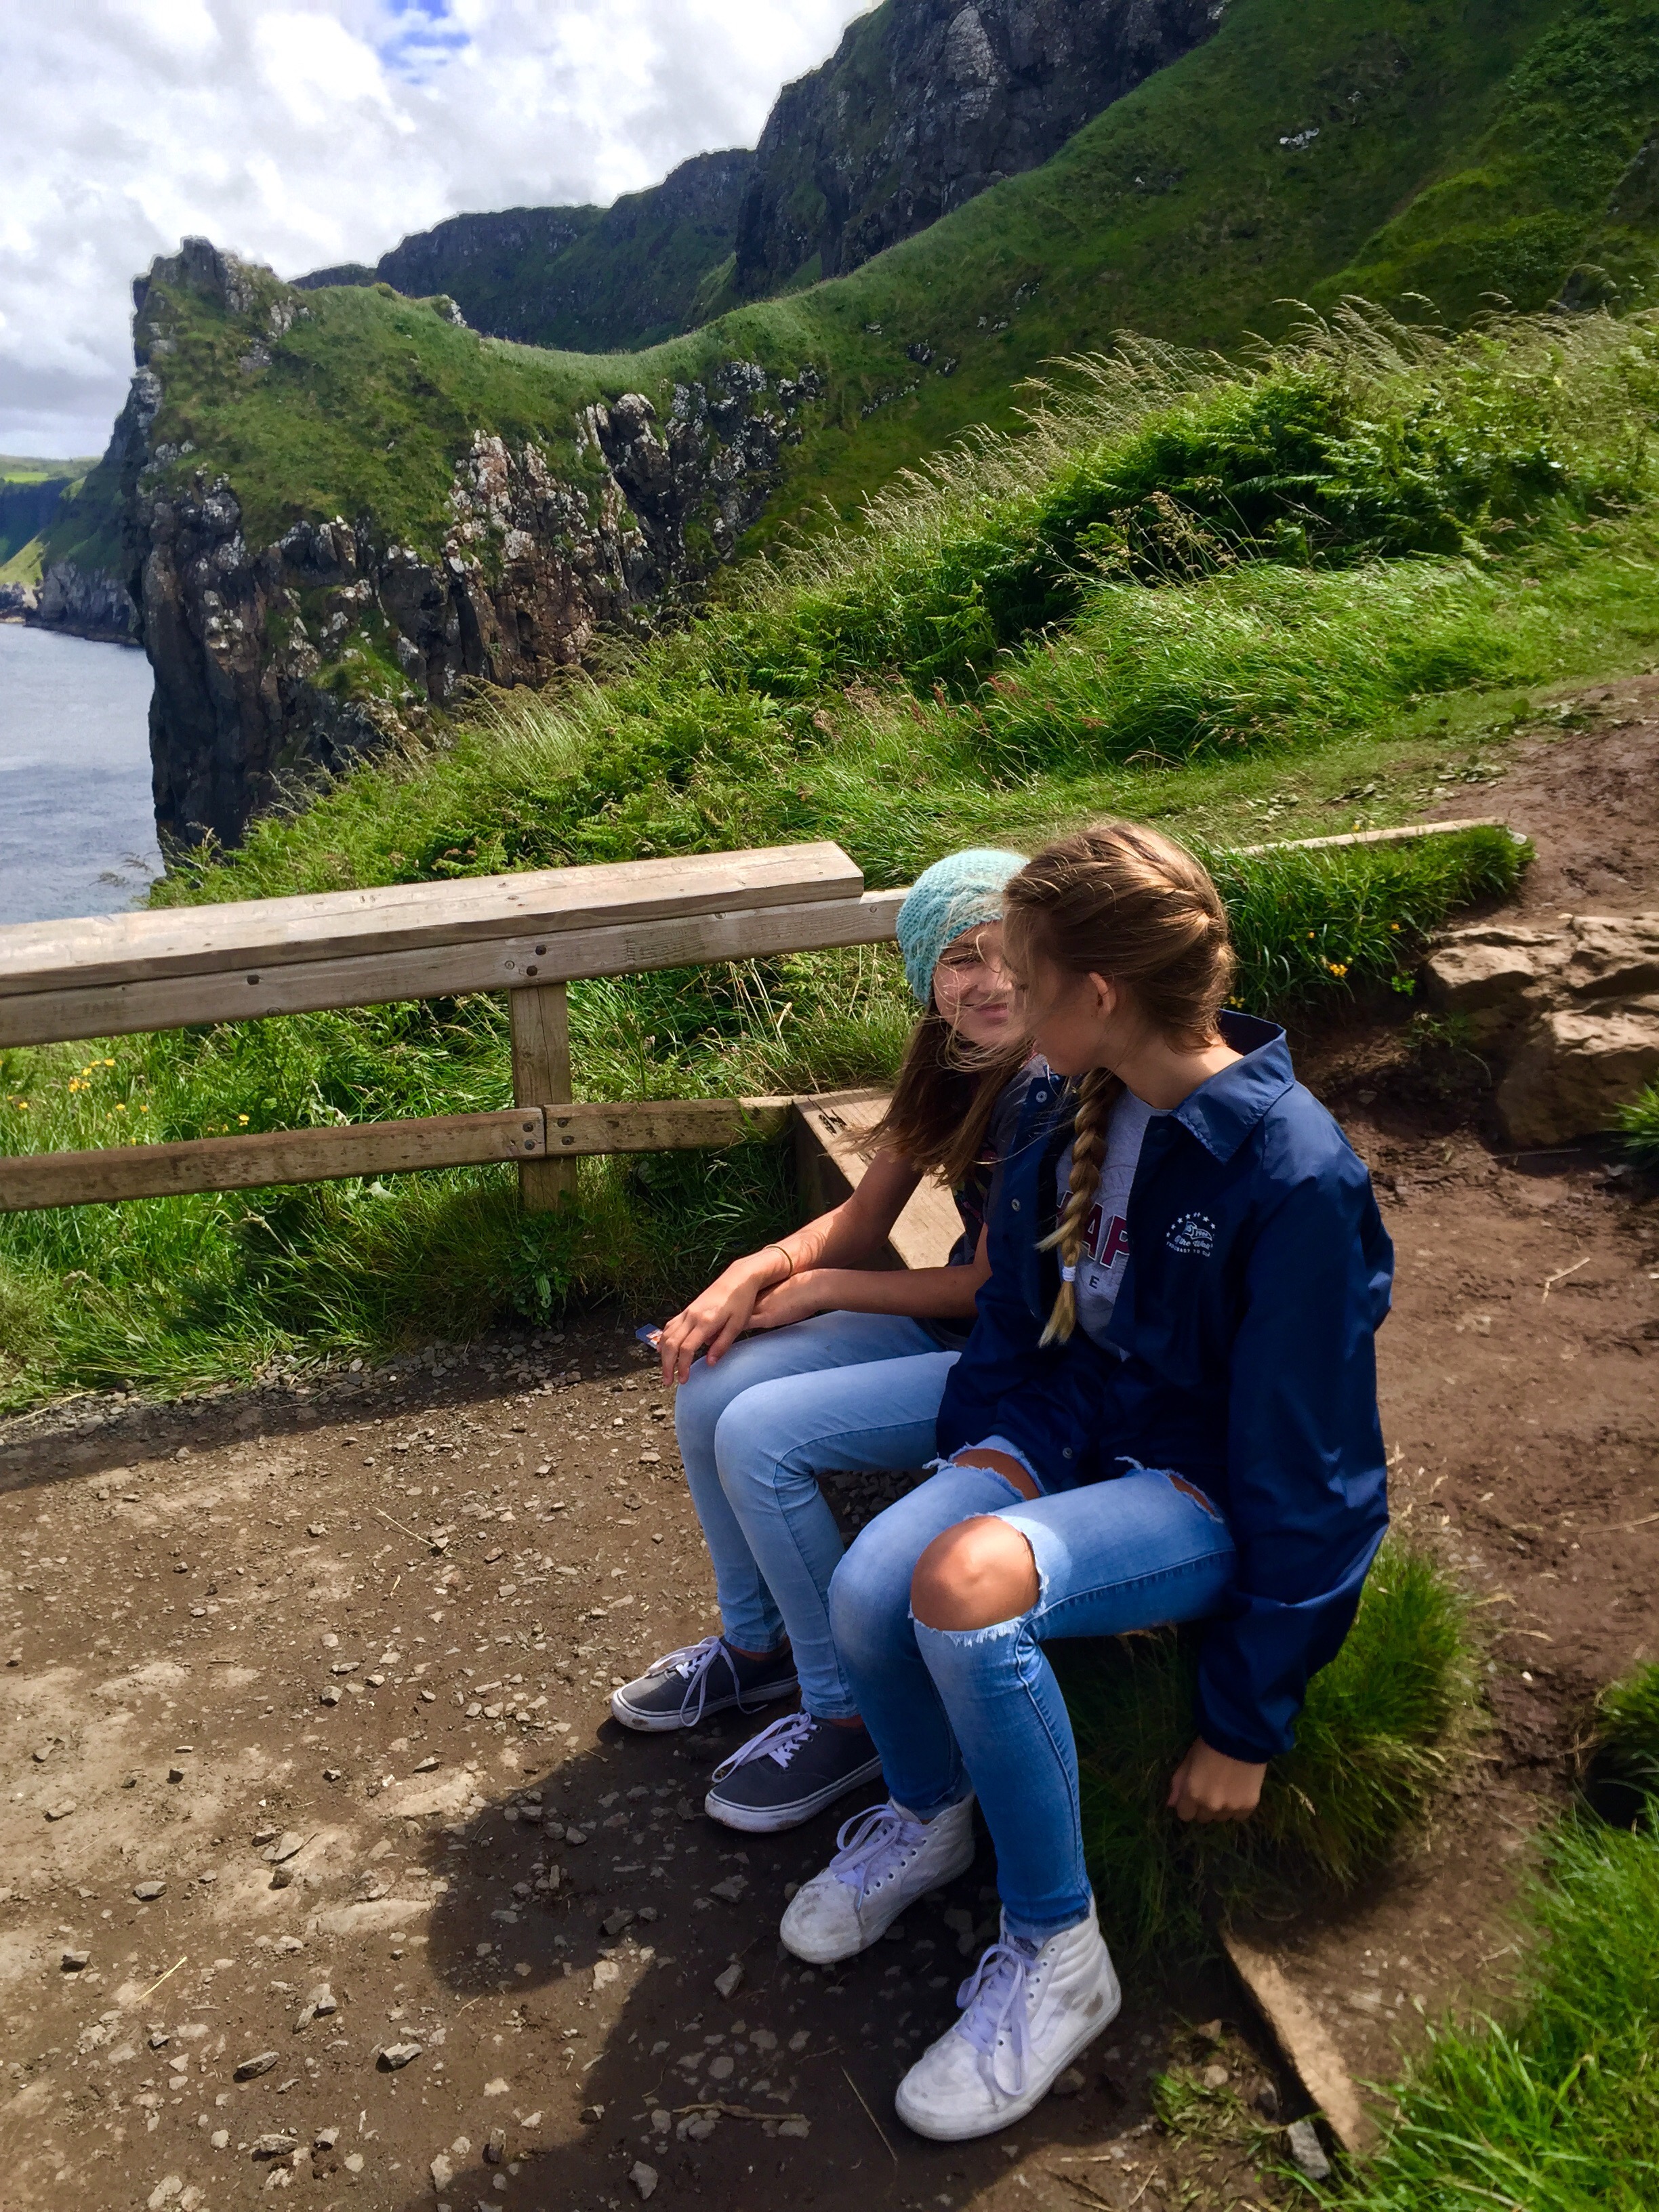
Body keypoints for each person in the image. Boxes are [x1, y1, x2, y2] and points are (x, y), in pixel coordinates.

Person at [779, 820, 1395, 2139]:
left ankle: (1059, 1950)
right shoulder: (1063, 1099)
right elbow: (1020, 1323)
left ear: (1098, 995)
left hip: (1202, 1483)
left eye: (1024, 973)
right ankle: (930, 1813)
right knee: (869, 1582)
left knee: (958, 1586)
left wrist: (1245, 1725)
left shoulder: (1291, 1176)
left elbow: (1319, 1469)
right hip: (1069, 1427)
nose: (1000, 997)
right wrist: (979, 1452)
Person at [611, 847, 1036, 1833]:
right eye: (960, 959)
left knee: (763, 1436)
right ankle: (756, 1649)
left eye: (1010, 952)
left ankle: (847, 1713)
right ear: (926, 982)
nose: (991, 980)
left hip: (1006, 1355)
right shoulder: (948, 1061)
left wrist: (820, 1292)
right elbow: (859, 1219)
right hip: (946, 1327)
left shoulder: (1047, 1084)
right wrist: (752, 1272)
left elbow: (994, 1286)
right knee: (708, 1382)